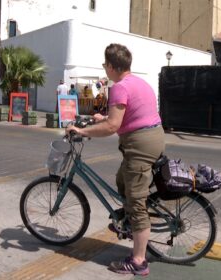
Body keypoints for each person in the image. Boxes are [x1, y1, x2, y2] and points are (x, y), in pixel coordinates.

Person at [66, 43, 165, 276]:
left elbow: (112, 126)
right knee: (122, 180)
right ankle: (129, 218)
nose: (105, 69)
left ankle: (139, 261)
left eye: (105, 65)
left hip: (140, 145)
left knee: (136, 202)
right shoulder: (139, 82)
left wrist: (81, 132)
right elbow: (123, 115)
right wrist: (102, 117)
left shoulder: (120, 87)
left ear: (111, 66)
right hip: (151, 138)